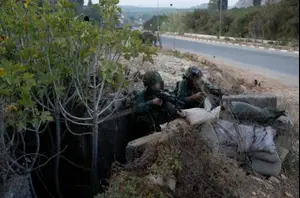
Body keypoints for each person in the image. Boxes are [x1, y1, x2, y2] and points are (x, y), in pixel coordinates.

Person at [133, 71, 183, 137]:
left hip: (162, 122)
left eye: (158, 84)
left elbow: (172, 100)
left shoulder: (163, 92)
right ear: (148, 86)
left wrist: (175, 109)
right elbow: (137, 108)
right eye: (154, 85)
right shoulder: (142, 94)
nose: (157, 86)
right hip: (149, 125)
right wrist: (152, 102)